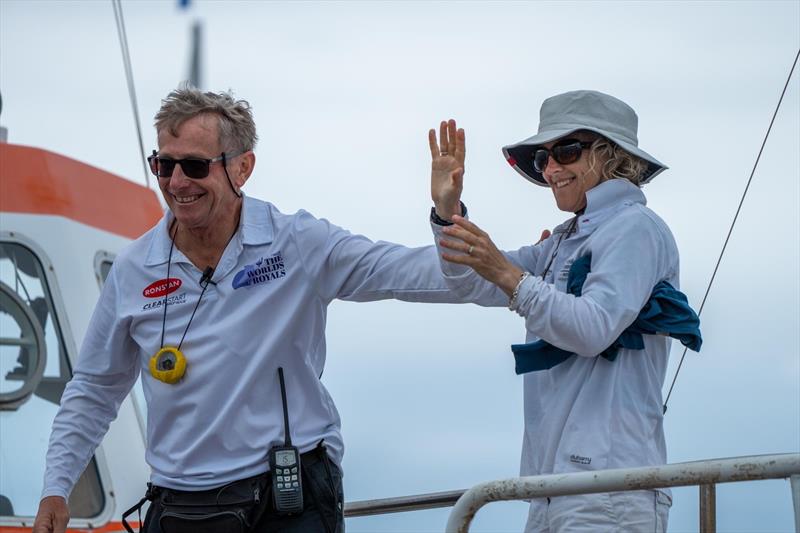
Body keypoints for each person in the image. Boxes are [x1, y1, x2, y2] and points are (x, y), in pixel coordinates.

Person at [32, 85, 460, 533]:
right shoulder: (133, 269)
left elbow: (417, 274)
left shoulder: (296, 242)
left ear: (243, 166)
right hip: (180, 506)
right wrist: (55, 490)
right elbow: (94, 390)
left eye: (194, 166)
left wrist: (477, 239)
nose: (177, 183)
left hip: (289, 503)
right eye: (164, 165)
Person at [428, 90, 700, 532]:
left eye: (566, 151)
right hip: (556, 488)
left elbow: (593, 328)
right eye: (542, 160)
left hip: (610, 490)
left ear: (610, 155)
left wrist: (509, 275)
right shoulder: (563, 241)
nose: (551, 169)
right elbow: (465, 281)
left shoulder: (636, 227)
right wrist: (446, 211)